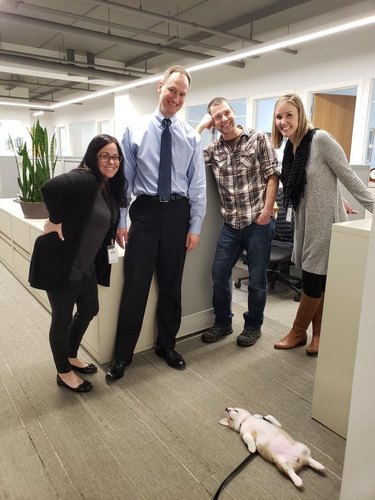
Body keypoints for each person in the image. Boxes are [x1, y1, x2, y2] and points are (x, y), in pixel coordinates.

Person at [106, 65, 206, 381]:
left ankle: (167, 346)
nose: (175, 97)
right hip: (145, 214)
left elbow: (197, 186)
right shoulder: (134, 130)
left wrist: (195, 226)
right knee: (135, 286)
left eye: (182, 93)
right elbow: (126, 181)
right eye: (171, 89)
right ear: (159, 86)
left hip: (178, 215)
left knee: (171, 286)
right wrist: (121, 220)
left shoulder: (191, 136)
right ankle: (122, 356)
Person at [272, 93, 374, 354]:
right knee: (321, 282)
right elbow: (318, 182)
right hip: (304, 222)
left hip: (324, 223)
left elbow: (346, 174)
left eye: (289, 115)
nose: (283, 121)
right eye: (279, 116)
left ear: (300, 114)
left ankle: (297, 332)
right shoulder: (291, 148)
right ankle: (318, 336)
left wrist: (371, 205)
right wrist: (338, 199)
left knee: (312, 280)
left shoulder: (320, 139)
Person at [29, 134, 127, 391]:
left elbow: (101, 217)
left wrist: (116, 229)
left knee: (89, 309)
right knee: (61, 319)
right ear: (94, 157)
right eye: (105, 155)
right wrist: (57, 219)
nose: (111, 161)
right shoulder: (85, 178)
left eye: (116, 156)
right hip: (64, 262)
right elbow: (49, 187)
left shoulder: (106, 186)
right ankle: (63, 373)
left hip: (85, 264)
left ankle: (70, 354)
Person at [196, 97, 279, 348]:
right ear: (213, 122)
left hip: (258, 222)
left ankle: (253, 326)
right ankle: (223, 322)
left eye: (226, 113)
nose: (223, 120)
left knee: (256, 279)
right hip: (231, 224)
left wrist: (266, 210)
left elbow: (272, 175)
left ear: (234, 112)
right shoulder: (213, 149)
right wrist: (200, 128)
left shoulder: (258, 138)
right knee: (219, 272)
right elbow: (185, 153)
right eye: (217, 117)